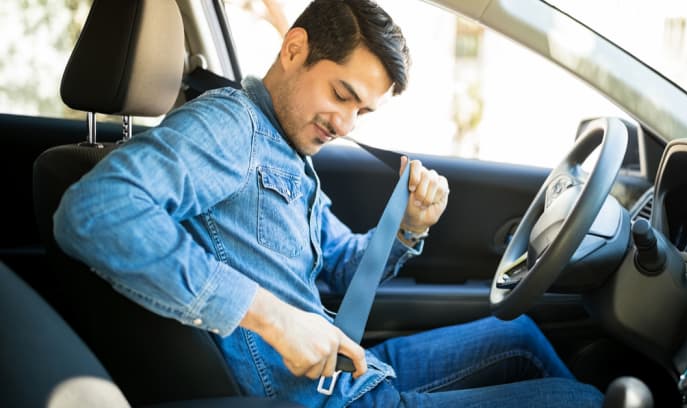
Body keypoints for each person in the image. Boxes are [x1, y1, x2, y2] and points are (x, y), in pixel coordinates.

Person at [53, 0, 603, 406]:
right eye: (341, 94)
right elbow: (93, 212)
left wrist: (408, 227)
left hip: (345, 371)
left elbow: (342, 266)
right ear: (294, 49)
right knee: (579, 402)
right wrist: (272, 317)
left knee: (521, 334)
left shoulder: (287, 148)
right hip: (317, 397)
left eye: (362, 112)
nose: (344, 124)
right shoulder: (229, 127)